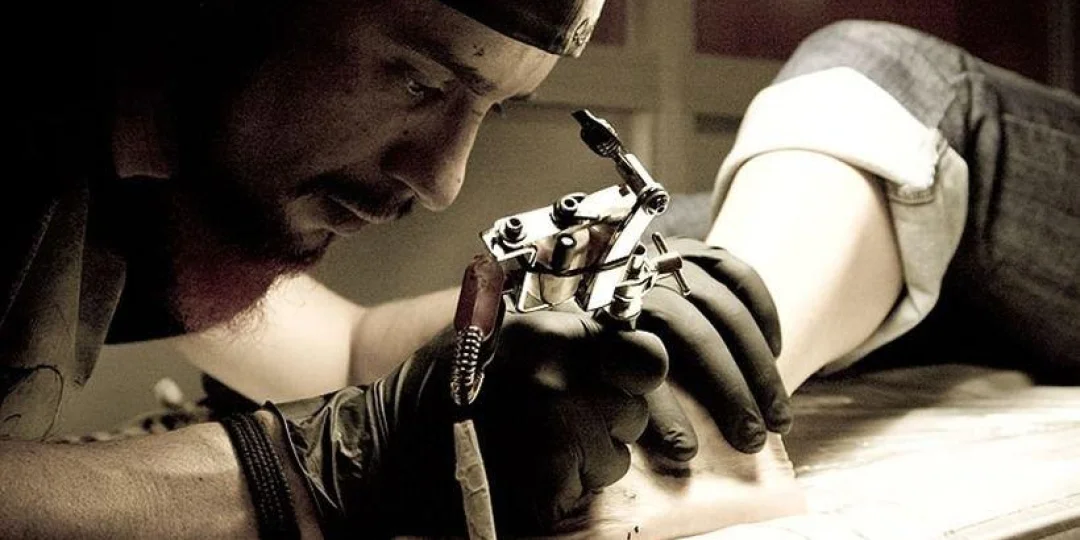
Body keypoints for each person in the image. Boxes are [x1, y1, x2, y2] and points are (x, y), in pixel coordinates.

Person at [1, 0, 790, 537]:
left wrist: (567, 314)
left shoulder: (126, 189)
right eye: (419, 80)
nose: (443, 181)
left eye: (492, 107)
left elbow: (348, 347)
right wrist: (324, 462)